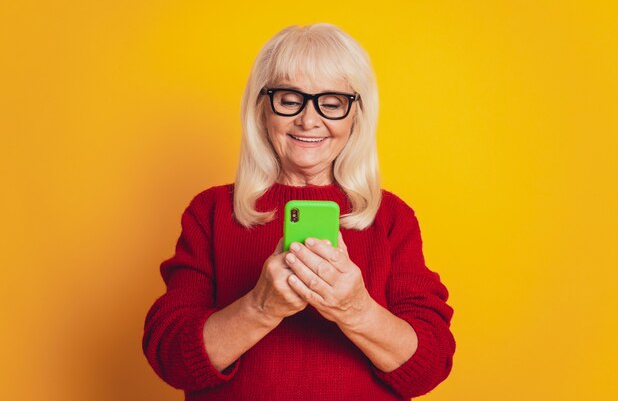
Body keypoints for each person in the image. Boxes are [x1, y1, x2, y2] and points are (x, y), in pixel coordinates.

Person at [143, 23, 455, 400]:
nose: (309, 120)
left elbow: (431, 364)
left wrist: (355, 309)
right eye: (290, 99)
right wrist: (261, 307)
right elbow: (171, 358)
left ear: (356, 114)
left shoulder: (391, 218)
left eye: (332, 102)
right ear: (262, 108)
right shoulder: (210, 212)